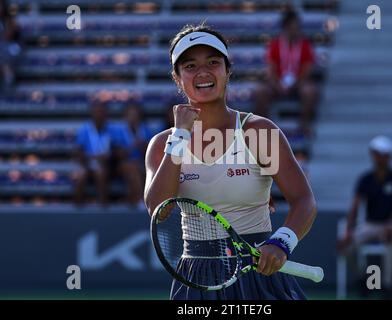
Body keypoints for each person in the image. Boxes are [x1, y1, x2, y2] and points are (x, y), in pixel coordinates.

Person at [144, 23, 317, 300]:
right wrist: (180, 136)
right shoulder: (162, 144)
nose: (203, 72)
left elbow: (304, 200)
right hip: (197, 279)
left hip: (260, 275)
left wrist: (282, 243)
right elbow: (158, 210)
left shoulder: (258, 131)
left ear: (228, 71)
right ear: (177, 78)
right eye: (189, 66)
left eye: (213, 62)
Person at [337, 135, 392, 297]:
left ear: (389, 156)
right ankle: (363, 279)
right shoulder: (365, 179)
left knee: (389, 239)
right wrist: (348, 231)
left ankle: (388, 286)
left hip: (391, 224)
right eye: (376, 153)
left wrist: (391, 225)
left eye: (382, 154)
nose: (379, 157)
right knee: (346, 246)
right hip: (370, 224)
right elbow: (354, 206)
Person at [253, 9, 318, 136]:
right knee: (260, 91)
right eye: (294, 27)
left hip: (298, 83)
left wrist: (296, 84)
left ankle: (303, 124)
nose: (297, 30)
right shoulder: (276, 44)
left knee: (310, 91)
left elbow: (307, 69)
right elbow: (270, 70)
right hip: (278, 83)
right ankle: (262, 127)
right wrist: (278, 85)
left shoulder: (305, 44)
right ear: (286, 27)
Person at [73, 102, 117, 206]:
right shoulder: (84, 130)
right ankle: (77, 208)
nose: (99, 115)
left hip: (107, 165)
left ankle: (103, 209)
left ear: (106, 115)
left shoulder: (112, 129)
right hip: (88, 164)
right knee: (80, 176)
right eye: (97, 112)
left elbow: (117, 150)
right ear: (92, 114)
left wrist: (108, 156)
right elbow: (78, 152)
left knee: (100, 173)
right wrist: (91, 158)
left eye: (102, 112)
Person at [115, 104, 155, 207]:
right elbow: (118, 155)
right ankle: (141, 200)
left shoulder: (146, 130)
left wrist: (143, 147)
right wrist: (133, 146)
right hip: (123, 165)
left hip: (144, 163)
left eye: (135, 115)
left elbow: (152, 152)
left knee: (135, 171)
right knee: (132, 168)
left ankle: (134, 201)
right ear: (125, 116)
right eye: (130, 115)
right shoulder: (119, 131)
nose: (133, 118)